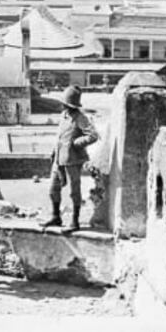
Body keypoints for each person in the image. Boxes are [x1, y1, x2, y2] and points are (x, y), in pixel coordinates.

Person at [42, 85, 98, 231]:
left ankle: (75, 221)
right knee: (53, 188)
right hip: (59, 158)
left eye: (65, 104)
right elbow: (60, 137)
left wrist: (76, 143)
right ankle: (56, 217)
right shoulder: (64, 116)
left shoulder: (80, 117)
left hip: (72, 160)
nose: (63, 106)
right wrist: (54, 152)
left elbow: (93, 135)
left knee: (74, 191)